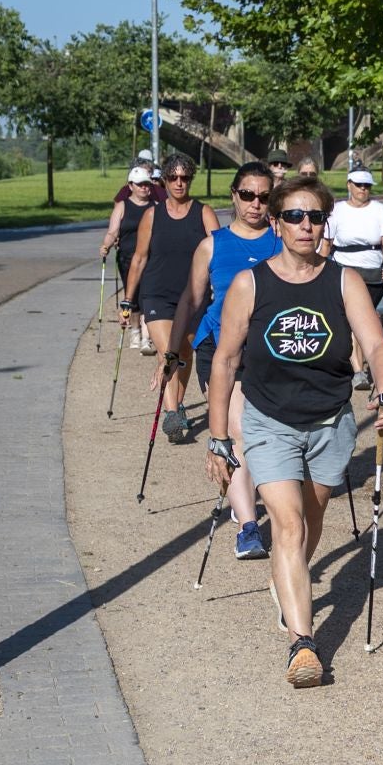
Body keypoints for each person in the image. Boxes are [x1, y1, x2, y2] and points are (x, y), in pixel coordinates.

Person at [197, 175, 383, 688]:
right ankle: (303, 644)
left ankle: (285, 582)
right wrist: (219, 437)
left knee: (311, 520)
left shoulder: (344, 280)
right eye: (294, 216)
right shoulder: (251, 284)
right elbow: (224, 362)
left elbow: (375, 345)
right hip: (269, 420)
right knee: (286, 527)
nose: (305, 225)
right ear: (277, 223)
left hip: (331, 420)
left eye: (314, 217)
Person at [162, 162, 281, 559]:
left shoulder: (283, 242)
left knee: (266, 433)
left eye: (264, 197)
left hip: (269, 350)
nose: (255, 204)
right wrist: (171, 352)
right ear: (234, 195)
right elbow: (192, 300)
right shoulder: (213, 244)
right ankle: (249, 527)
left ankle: (242, 489)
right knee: (235, 430)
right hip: (220, 349)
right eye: (247, 195)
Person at [124, 154, 219, 441]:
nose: (179, 183)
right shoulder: (152, 215)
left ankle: (175, 407)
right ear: (164, 180)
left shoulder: (203, 212)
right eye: (174, 177)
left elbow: (220, 253)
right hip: (156, 294)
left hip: (193, 296)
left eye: (185, 178)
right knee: (169, 351)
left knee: (185, 352)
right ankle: (172, 414)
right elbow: (139, 259)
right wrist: (128, 301)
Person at [322, 167, 383, 390]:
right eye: (359, 185)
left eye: (367, 186)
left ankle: (365, 364)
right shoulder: (337, 210)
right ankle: (358, 370)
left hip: (372, 271)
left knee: (364, 318)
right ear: (349, 185)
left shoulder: (379, 209)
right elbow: (327, 242)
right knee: (351, 320)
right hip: (344, 268)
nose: (363, 189)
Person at [101, 167, 160, 351]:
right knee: (132, 296)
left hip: (151, 258)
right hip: (127, 258)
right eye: (140, 184)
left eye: (147, 184)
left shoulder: (156, 207)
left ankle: (146, 337)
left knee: (148, 296)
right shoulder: (122, 206)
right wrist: (106, 245)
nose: (145, 188)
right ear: (131, 186)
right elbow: (113, 231)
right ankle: (135, 332)